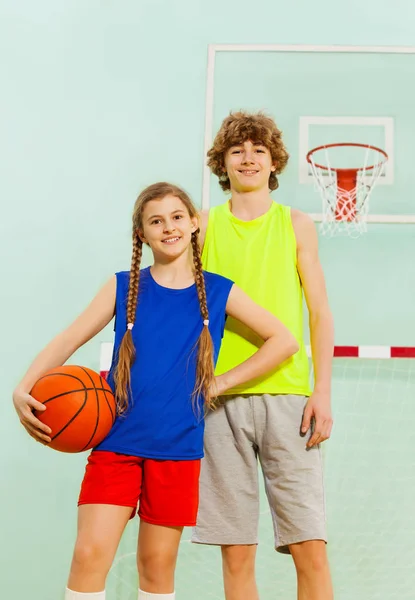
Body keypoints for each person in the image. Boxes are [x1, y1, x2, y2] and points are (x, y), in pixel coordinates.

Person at [12, 182, 299, 600]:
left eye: (177, 217)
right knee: (89, 553)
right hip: (117, 444)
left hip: (178, 450)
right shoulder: (122, 286)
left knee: (157, 565)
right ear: (142, 234)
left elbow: (284, 340)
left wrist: (218, 383)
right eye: (156, 221)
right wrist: (23, 387)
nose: (169, 227)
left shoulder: (219, 291)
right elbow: (68, 338)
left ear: (194, 224)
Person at [192, 112, 335, 600]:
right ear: (222, 163)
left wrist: (322, 392)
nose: (248, 157)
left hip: (289, 397)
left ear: (273, 160)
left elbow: (318, 313)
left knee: (309, 547)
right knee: (236, 551)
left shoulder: (295, 223)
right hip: (219, 400)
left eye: (258, 149)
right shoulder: (204, 225)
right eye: (237, 150)